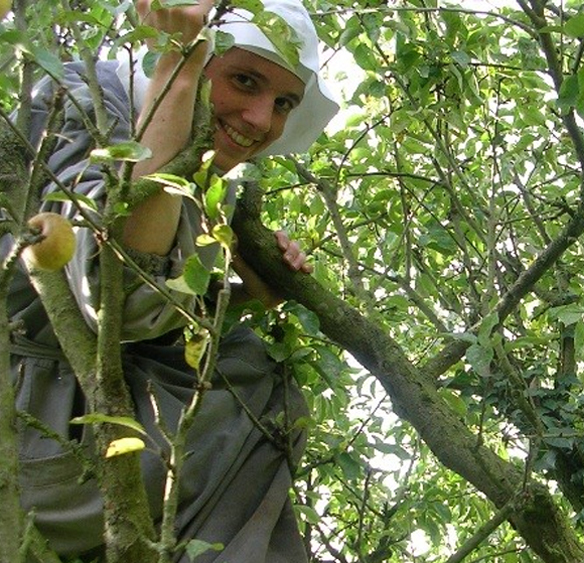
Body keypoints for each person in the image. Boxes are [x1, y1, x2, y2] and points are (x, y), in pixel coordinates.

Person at [5, 0, 338, 561]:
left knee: (261, 375)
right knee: (260, 394)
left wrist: (255, 287)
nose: (260, 120)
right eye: (244, 80)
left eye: (283, 103)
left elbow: (165, 326)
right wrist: (179, 69)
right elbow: (120, 301)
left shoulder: (204, 180)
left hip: (83, 440)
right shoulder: (85, 104)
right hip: (26, 437)